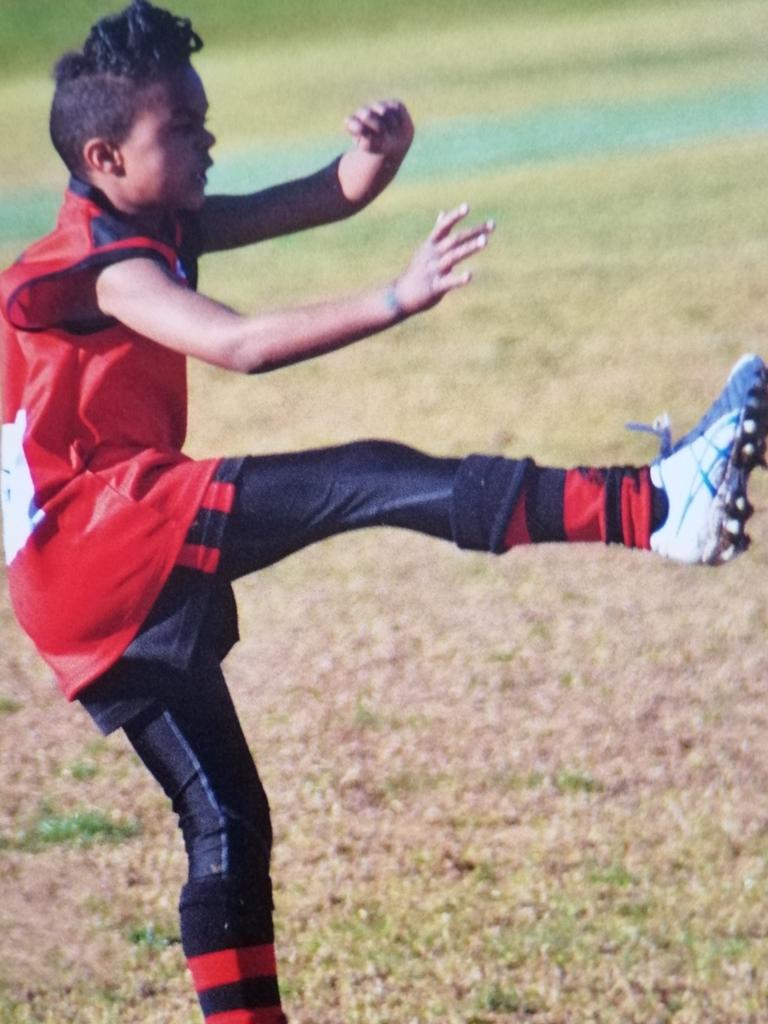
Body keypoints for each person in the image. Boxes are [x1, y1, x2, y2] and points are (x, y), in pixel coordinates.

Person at [0, 2, 766, 1022]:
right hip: (107, 529)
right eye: (181, 127)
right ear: (105, 155)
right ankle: (659, 505)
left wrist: (375, 162)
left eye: (201, 115)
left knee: (226, 816)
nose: (208, 136)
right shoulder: (112, 266)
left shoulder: (135, 222)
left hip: (69, 577)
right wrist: (395, 299)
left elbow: (319, 196)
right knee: (366, 474)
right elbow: (242, 345)